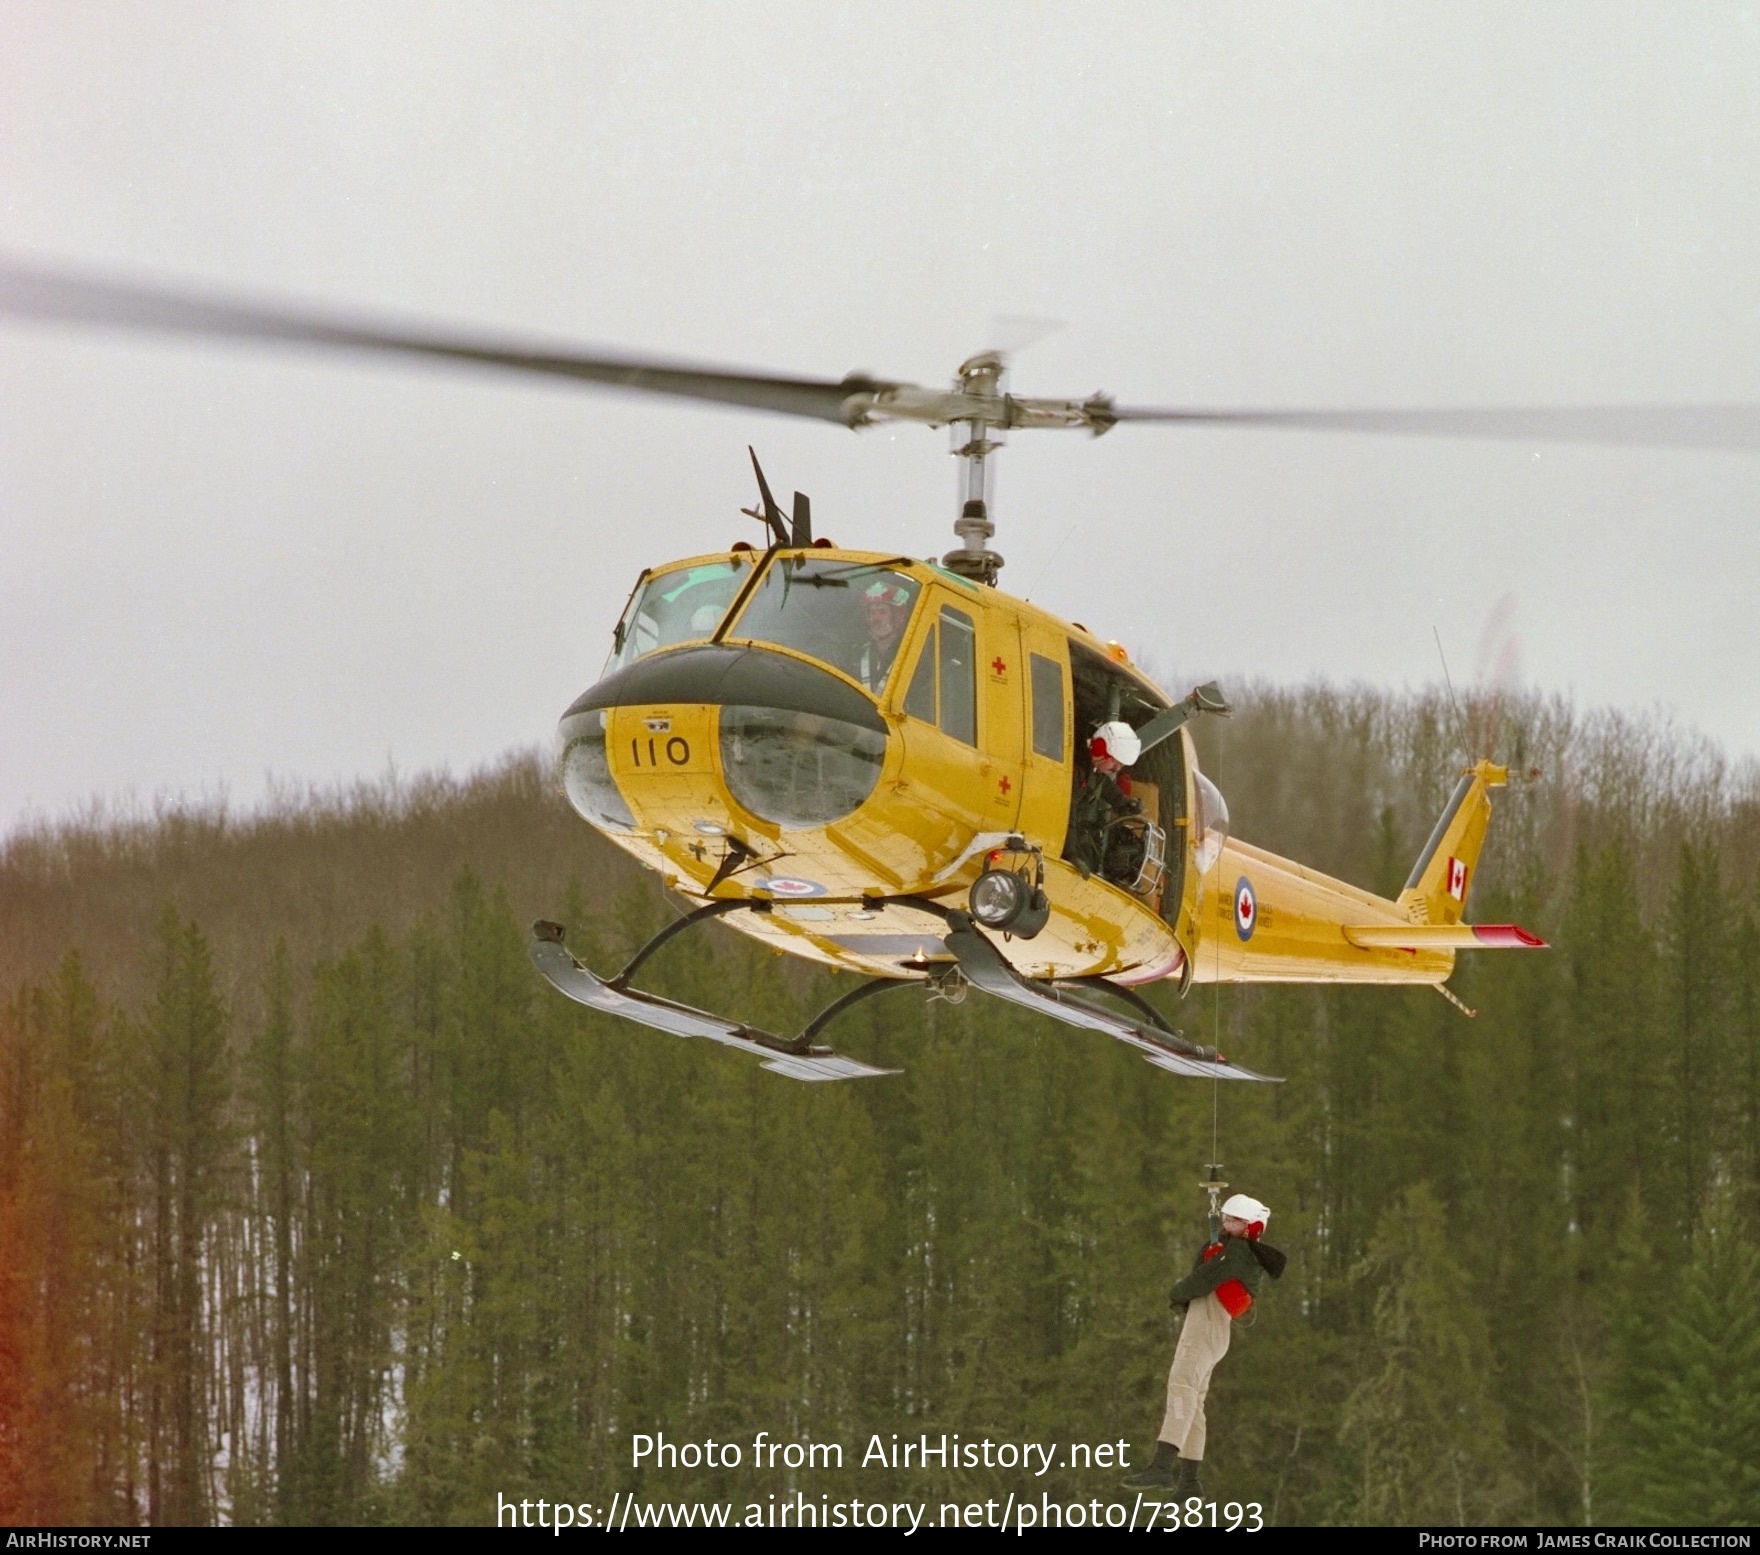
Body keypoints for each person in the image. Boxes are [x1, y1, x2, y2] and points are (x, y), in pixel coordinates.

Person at [1121, 1193, 1286, 1497]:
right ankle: (1189, 1481)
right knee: (1194, 1402)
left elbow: (1203, 1278)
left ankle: (1162, 1464)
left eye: (1234, 1219)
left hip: (1204, 1327)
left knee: (1181, 1387)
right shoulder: (1238, 1252)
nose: (1226, 1222)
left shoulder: (1236, 1254)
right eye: (1225, 1217)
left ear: (1250, 1226)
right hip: (1212, 1330)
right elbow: (1208, 1268)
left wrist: (1176, 1293)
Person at [1066, 720, 1143, 880]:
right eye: (1115, 761)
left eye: (1121, 764)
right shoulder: (1076, 767)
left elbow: (1103, 784)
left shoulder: (1093, 766)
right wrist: (1070, 854)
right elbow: (1068, 811)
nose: (1117, 768)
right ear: (1101, 750)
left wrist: (1124, 803)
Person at [854, 579, 913, 692]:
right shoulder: (857, 654)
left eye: (882, 612)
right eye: (872, 612)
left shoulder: (910, 655)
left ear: (898, 616)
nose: (875, 619)